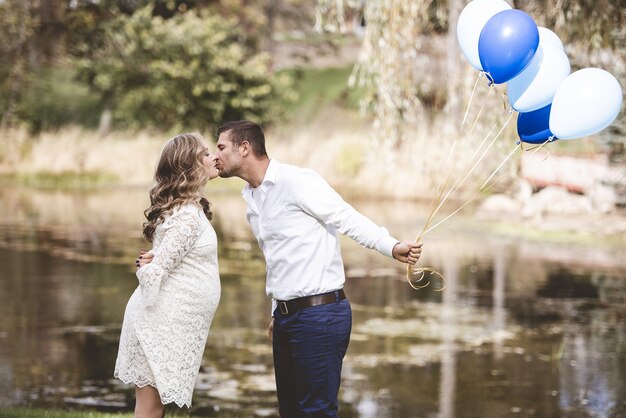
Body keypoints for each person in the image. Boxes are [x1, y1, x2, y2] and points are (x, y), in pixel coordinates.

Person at [141, 121, 422, 417]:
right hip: (288, 318)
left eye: (221, 147)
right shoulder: (251, 196)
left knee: (316, 411)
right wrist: (278, 308)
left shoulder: (297, 181)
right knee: (290, 410)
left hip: (320, 314)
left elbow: (346, 218)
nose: (216, 156)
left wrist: (391, 246)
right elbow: (278, 260)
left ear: (245, 148)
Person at [115, 133, 221, 418]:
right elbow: (153, 273)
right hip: (157, 323)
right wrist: (147, 265)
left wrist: (154, 260)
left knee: (154, 406)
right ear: (190, 165)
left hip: (169, 321)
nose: (214, 158)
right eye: (206, 153)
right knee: (150, 407)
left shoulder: (190, 210)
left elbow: (164, 258)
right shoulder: (186, 216)